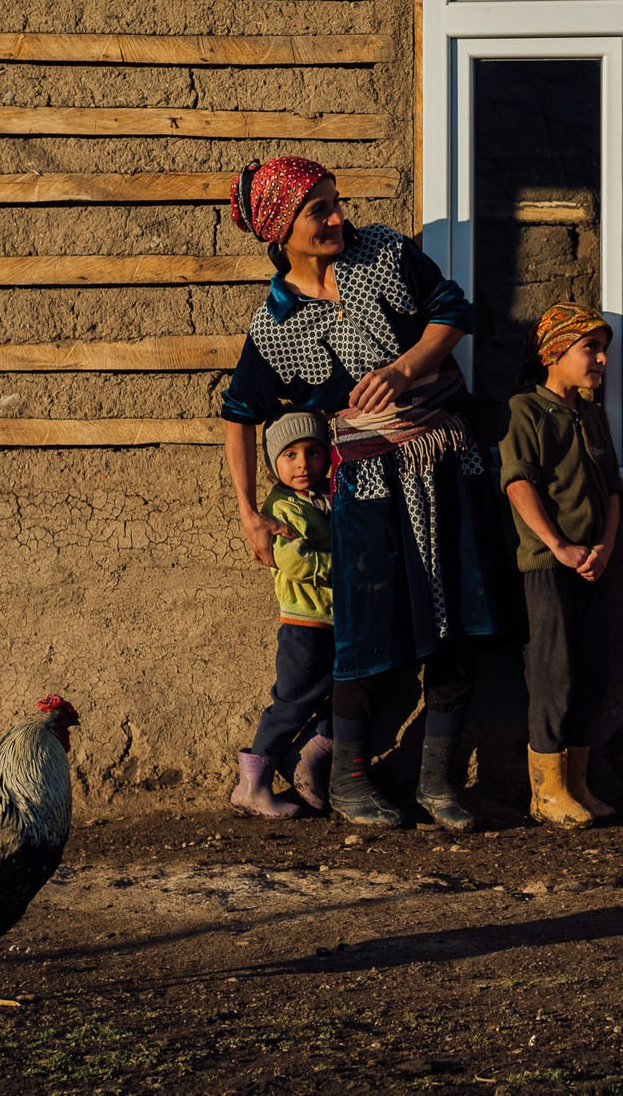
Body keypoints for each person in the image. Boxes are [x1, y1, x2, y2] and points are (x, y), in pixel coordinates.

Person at [220, 156, 510, 833]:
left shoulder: (384, 251)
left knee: (457, 621)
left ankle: (439, 783)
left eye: (335, 202)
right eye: (318, 209)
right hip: (366, 484)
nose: (337, 218)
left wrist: (407, 368)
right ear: (279, 227)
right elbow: (238, 416)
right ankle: (348, 781)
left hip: (447, 460)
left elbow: (454, 312)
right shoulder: (275, 326)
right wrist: (249, 513)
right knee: (364, 630)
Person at [497, 303, 623, 830]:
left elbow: (613, 490)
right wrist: (558, 545)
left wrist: (605, 547)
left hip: (592, 563)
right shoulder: (525, 410)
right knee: (555, 673)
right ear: (554, 353)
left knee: (592, 670)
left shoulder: (591, 415)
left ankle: (575, 783)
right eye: (588, 348)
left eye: (603, 350)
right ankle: (545, 793)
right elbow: (518, 483)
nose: (599, 359)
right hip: (545, 566)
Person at [229, 411, 335, 820]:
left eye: (312, 452)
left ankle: (306, 757)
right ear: (274, 463)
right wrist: (344, 564)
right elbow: (294, 561)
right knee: (292, 702)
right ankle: (252, 785)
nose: (302, 463)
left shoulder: (326, 498)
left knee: (343, 695)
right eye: (289, 455)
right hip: (303, 624)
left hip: (334, 620)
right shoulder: (282, 506)